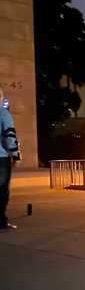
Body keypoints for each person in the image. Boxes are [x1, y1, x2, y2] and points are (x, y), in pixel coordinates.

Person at [1, 88, 20, 230]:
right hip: (1, 158)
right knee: (2, 190)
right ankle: (1, 221)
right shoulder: (4, 114)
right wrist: (15, 155)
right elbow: (10, 136)